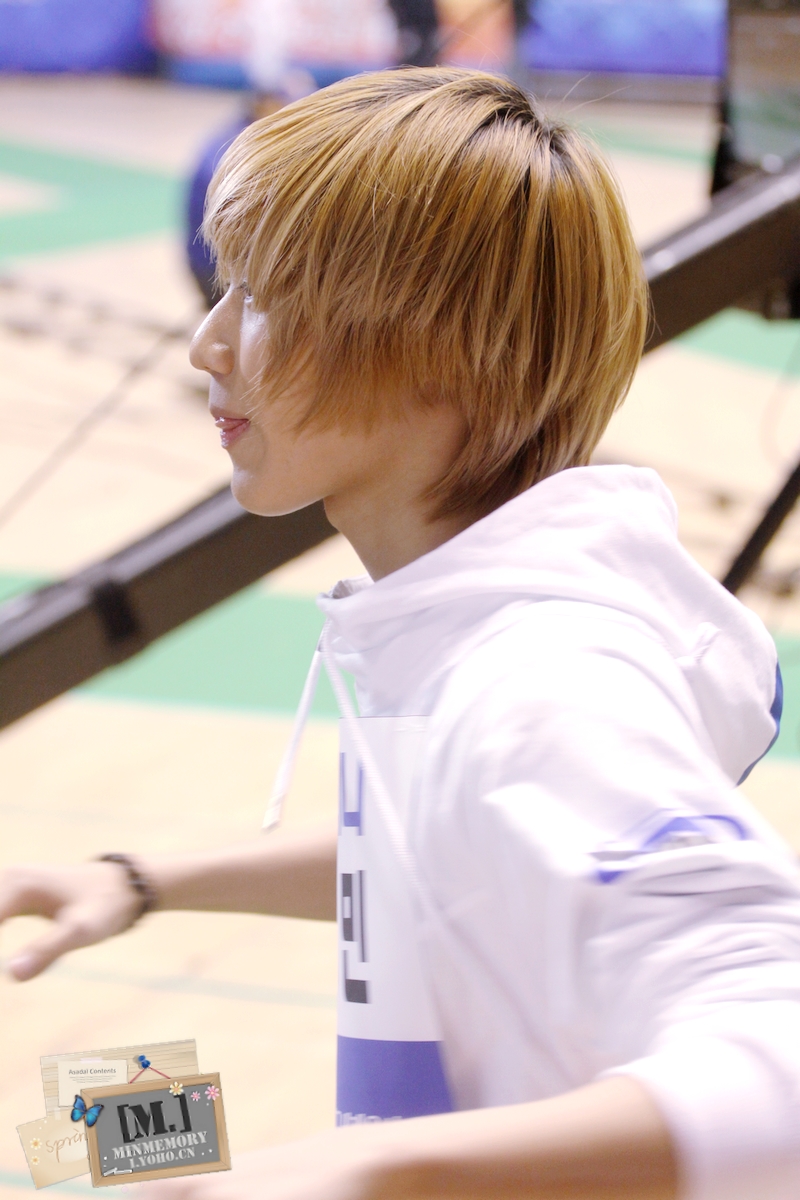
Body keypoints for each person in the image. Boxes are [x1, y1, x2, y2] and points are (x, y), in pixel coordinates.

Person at [1, 68, 797, 1200]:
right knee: (66, 1142)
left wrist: (362, 1167)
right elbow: (440, 845)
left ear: (436, 347)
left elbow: (778, 1065)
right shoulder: (463, 627)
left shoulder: (541, 680)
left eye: (260, 296)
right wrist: (136, 880)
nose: (206, 344)